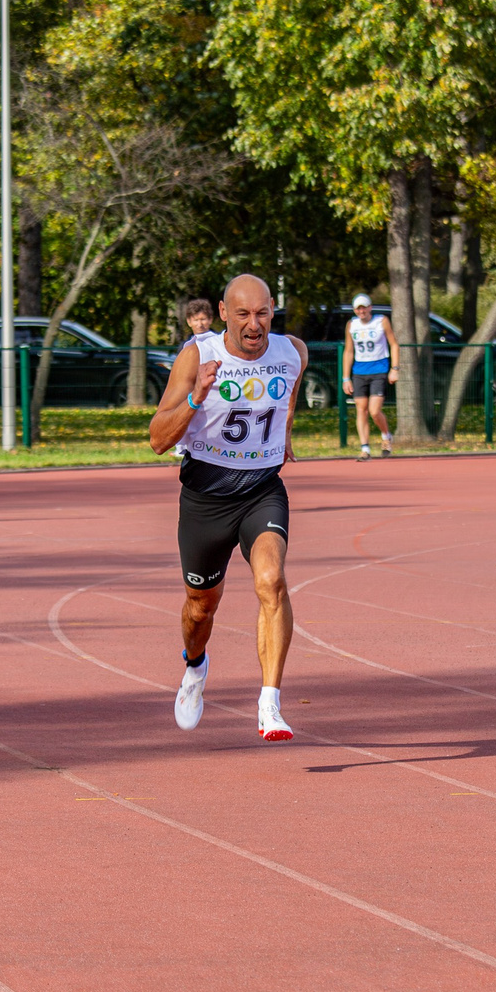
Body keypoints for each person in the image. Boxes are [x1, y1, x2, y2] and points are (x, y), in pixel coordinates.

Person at [148, 273, 306, 742]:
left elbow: (288, 397)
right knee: (201, 608)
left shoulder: (293, 351)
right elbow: (157, 439)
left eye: (262, 313)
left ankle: (269, 704)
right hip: (206, 497)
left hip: (261, 489)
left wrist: (285, 436)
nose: (254, 324)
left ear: (272, 310)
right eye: (243, 314)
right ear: (223, 313)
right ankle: (195, 667)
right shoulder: (198, 355)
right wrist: (196, 397)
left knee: (271, 581)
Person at [341, 294, 396, 460]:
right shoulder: (352, 325)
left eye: (364, 307)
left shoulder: (381, 321)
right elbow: (348, 351)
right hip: (359, 371)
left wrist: (395, 368)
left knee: (374, 410)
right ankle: (365, 448)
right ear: (354, 310)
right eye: (358, 308)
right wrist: (346, 377)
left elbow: (394, 344)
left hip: (379, 369)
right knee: (361, 409)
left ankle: (386, 435)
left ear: (370, 307)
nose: (361, 311)